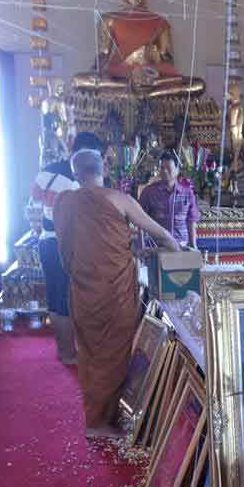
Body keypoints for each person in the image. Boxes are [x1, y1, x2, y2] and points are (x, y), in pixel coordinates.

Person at [54, 148, 180, 438]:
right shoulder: (119, 199)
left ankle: (99, 418)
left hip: (84, 291)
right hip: (115, 293)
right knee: (115, 352)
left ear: (75, 174)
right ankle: (104, 421)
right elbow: (161, 234)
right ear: (104, 169)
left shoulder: (65, 202)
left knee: (91, 353)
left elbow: (74, 250)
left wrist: (131, 252)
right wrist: (178, 253)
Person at [28, 132, 105, 365]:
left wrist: (42, 226)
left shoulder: (45, 173)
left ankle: (65, 350)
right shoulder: (80, 180)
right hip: (68, 243)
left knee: (55, 297)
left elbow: (32, 209)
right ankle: (69, 353)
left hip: (46, 242)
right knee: (67, 298)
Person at [138, 149, 199, 249]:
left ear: (177, 170)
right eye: (162, 168)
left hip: (181, 247)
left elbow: (191, 221)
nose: (165, 171)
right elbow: (140, 221)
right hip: (157, 247)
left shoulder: (187, 193)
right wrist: (142, 247)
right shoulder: (149, 192)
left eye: (168, 168)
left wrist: (193, 246)